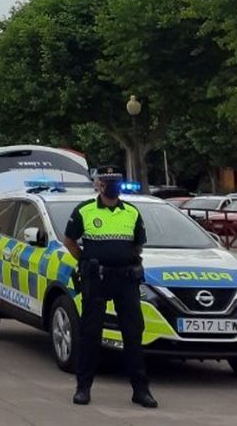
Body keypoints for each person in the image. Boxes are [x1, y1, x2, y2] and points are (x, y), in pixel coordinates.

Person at [63, 166, 156, 409]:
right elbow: (69, 240)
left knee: (133, 334)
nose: (113, 185)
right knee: (90, 334)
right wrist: (85, 260)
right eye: (108, 181)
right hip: (97, 279)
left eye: (116, 181)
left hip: (125, 280)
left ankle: (141, 390)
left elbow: (138, 244)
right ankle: (83, 388)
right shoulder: (85, 210)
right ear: (99, 185)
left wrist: (128, 260)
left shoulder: (132, 212)